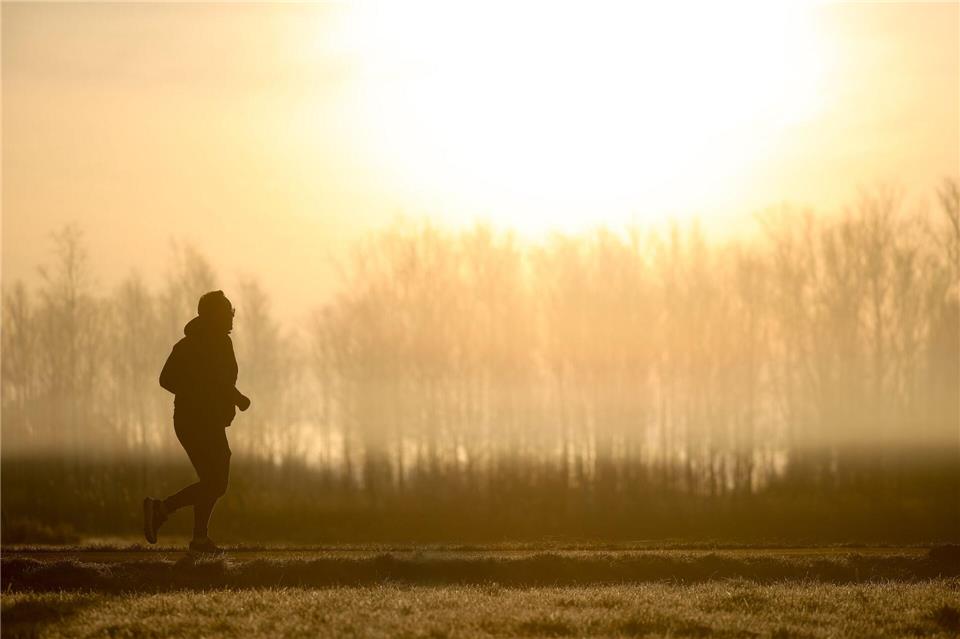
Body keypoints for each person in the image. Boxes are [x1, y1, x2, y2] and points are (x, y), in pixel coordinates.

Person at [144, 290, 251, 553]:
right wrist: (199, 393)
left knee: (212, 480)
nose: (231, 317)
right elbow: (166, 380)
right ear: (213, 315)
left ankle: (199, 539)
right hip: (193, 421)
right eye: (227, 312)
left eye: (231, 311)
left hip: (210, 421)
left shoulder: (222, 343)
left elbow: (221, 382)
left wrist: (236, 398)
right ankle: (162, 509)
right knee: (215, 483)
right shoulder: (188, 345)